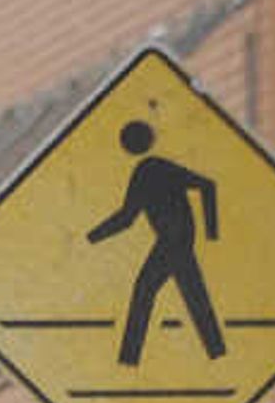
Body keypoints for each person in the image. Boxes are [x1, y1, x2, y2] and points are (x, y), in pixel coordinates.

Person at [87, 120, 225, 368]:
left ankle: (128, 360)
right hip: (176, 239)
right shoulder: (149, 169)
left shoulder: (152, 168)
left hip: (174, 240)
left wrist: (212, 233)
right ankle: (217, 352)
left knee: (145, 290)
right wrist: (92, 237)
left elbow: (208, 186)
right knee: (193, 294)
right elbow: (127, 218)